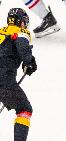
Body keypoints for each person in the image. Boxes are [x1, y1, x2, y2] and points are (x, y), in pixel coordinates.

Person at [0, 8, 37, 141]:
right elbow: (22, 45)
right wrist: (29, 61)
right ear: (21, 22)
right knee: (24, 109)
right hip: (4, 80)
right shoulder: (20, 31)